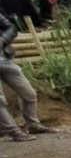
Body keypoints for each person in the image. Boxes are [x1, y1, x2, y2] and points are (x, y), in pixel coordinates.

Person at [0, 9, 58, 141]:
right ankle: (14, 131)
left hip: (4, 57)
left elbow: (11, 27)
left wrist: (3, 39)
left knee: (28, 93)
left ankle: (33, 124)